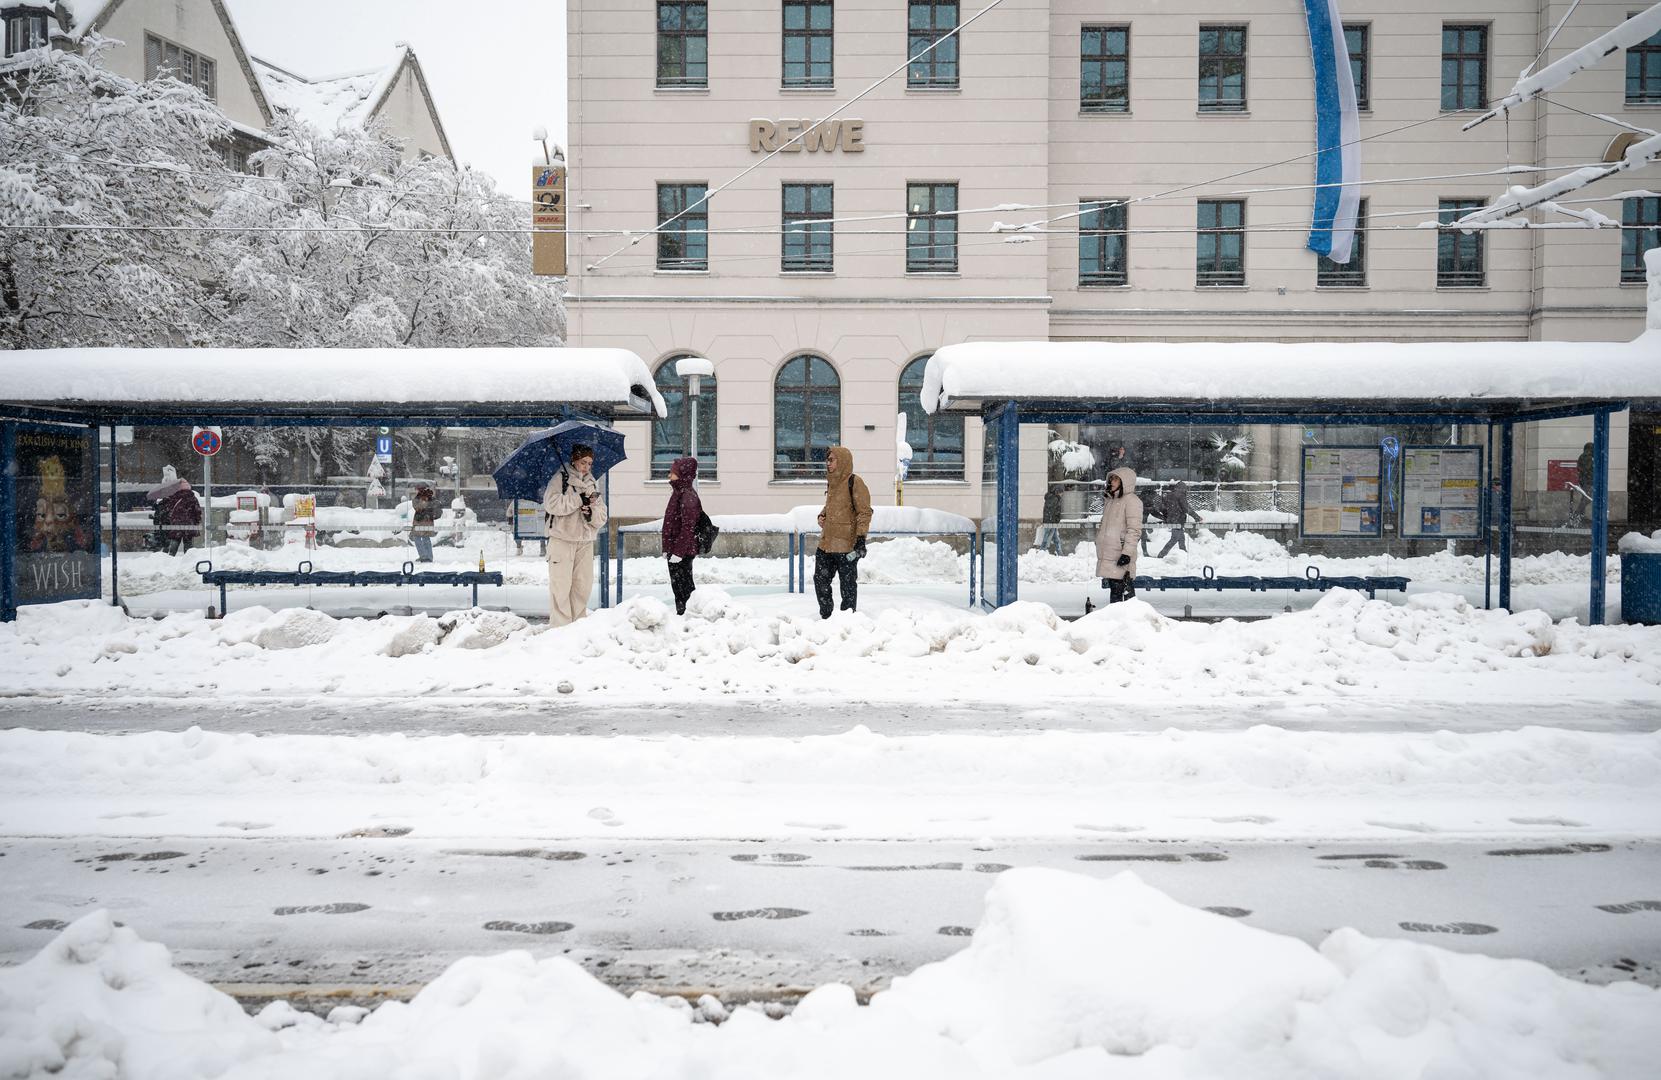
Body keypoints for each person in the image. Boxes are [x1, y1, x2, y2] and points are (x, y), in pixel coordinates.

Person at [543, 444, 607, 627]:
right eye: (583, 462)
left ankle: (578, 628)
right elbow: (552, 504)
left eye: (589, 463)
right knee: (560, 586)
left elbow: (602, 514)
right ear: (574, 460)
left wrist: (590, 513)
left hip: (585, 541)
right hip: (562, 539)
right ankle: (560, 628)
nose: (586, 466)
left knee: (582, 586)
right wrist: (578, 499)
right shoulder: (560, 478)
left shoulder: (592, 482)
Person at [814, 446, 872, 619]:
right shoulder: (832, 482)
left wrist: (861, 538)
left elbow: (864, 512)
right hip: (826, 544)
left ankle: (847, 621)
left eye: (832, 460)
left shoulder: (854, 482)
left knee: (847, 586)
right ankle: (826, 617)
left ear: (843, 461)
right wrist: (822, 515)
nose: (828, 463)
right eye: (827, 460)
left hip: (846, 545)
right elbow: (833, 506)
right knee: (820, 580)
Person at [661, 455, 702, 615]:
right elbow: (671, 522)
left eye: (673, 472)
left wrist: (678, 552)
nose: (669, 476)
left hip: (682, 551)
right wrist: (667, 548)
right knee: (679, 588)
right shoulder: (679, 493)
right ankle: (684, 614)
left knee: (684, 589)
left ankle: (687, 615)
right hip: (676, 549)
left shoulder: (687, 496)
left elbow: (688, 527)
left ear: (682, 474)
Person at [1095, 465, 1143, 604]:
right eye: (1111, 479)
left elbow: (1134, 530)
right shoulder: (1110, 500)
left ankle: (1129, 621)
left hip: (1120, 554)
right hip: (1110, 554)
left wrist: (1127, 553)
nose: (1112, 482)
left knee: (1124, 593)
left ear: (1125, 482)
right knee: (1115, 592)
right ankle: (1117, 621)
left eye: (1116, 479)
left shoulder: (1132, 501)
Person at [1155, 480, 1203, 558]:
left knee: (1181, 537)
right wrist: (1196, 517)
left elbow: (1161, 508)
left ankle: (1183, 552)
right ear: (1183, 489)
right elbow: (1186, 508)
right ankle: (1161, 554)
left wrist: (1166, 516)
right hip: (1178, 519)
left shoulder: (1168, 495)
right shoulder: (1180, 495)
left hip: (1172, 519)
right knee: (1174, 538)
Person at [154, 479, 201, 556]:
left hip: (176, 523)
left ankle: (171, 557)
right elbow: (197, 511)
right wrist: (196, 521)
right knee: (188, 543)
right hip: (189, 524)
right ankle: (188, 558)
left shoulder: (174, 497)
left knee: (175, 540)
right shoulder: (192, 498)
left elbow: (168, 509)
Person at [410, 484, 438, 563]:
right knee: (426, 538)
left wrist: (416, 500)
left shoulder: (421, 497)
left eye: (417, 488)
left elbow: (418, 508)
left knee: (417, 538)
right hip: (428, 521)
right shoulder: (430, 496)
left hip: (421, 521)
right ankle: (428, 556)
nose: (417, 490)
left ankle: (424, 556)